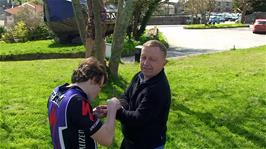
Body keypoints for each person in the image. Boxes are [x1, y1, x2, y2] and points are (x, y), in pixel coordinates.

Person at [97, 40, 171, 149]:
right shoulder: (139, 76)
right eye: (143, 57)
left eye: (152, 59)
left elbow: (138, 119)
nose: (146, 63)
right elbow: (126, 97)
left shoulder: (157, 89)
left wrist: (115, 111)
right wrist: (114, 108)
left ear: (164, 63)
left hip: (148, 145)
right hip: (130, 141)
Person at [47, 57, 121, 149]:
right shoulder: (78, 102)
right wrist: (112, 108)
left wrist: (90, 114)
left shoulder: (57, 92)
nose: (99, 91)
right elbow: (107, 139)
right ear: (93, 80)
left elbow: (68, 120)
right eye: (100, 86)